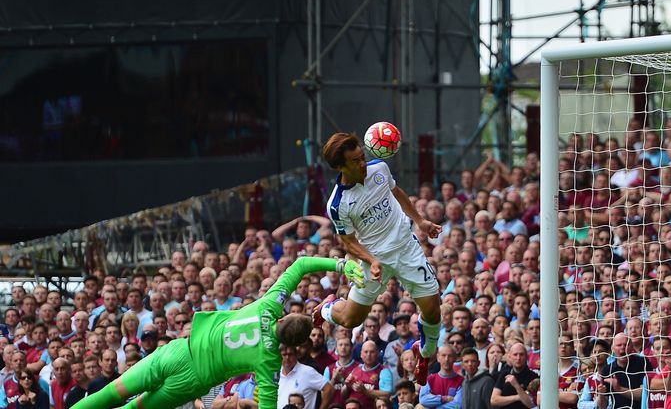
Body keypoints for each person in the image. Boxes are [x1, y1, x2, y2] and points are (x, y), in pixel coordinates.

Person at [70, 256, 364, 409]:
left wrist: (342, 265)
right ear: (293, 346)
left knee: (112, 392)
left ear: (287, 315)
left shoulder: (267, 306)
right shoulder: (269, 361)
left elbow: (301, 265)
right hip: (192, 381)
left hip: (178, 351)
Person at [315, 133, 443, 385]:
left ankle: (424, 354)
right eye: (355, 161)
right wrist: (371, 260)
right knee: (352, 320)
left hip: (407, 248)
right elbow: (348, 242)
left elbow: (397, 192)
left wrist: (420, 221)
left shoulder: (380, 168)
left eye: (362, 156)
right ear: (340, 166)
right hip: (374, 261)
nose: (363, 163)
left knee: (432, 309)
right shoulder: (337, 204)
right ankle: (328, 308)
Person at [277, 344, 333, 409]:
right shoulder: (276, 372)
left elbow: (329, 389)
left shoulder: (307, 371)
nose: (287, 358)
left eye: (290, 354)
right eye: (284, 355)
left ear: (296, 355)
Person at [490, 343, 538, 409]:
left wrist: (517, 386)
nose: (518, 358)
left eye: (521, 354)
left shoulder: (533, 377)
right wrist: (517, 397)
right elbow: (494, 400)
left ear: (527, 357)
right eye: (515, 355)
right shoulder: (504, 374)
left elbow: (532, 405)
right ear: (509, 357)